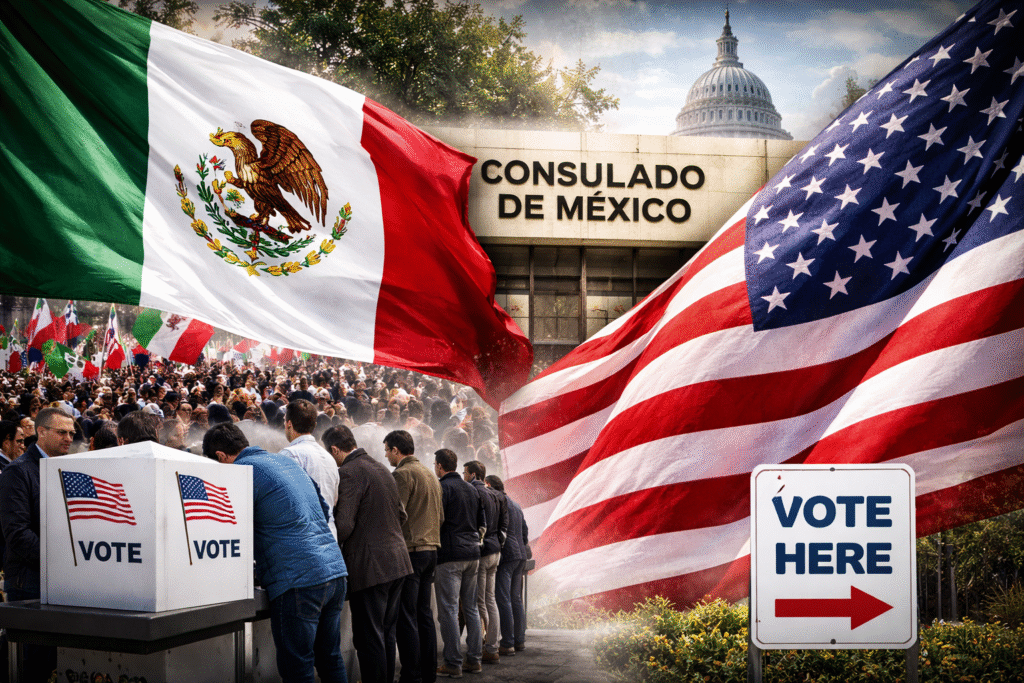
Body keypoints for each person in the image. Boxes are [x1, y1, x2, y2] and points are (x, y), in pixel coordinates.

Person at [202, 423, 348, 683]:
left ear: (221, 457)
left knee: (298, 667)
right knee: (330, 658)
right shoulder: (286, 462)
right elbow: (325, 511)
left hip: (298, 581)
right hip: (334, 570)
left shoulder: (240, 473)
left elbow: (230, 528)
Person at [324, 426, 412, 683]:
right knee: (386, 634)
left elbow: (344, 525)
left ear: (335, 450)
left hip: (371, 567)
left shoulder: (349, 472)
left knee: (368, 638)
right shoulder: (382, 468)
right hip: (398, 563)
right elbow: (402, 515)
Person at [0, 407, 75, 682]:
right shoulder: (17, 472)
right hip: (29, 585)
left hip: (61, 583)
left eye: (71, 433)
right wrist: (63, 560)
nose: (69, 438)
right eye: (62, 432)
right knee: (37, 668)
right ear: (41, 432)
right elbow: (17, 533)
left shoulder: (66, 468)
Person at [385, 430, 443, 683]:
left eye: (387, 450)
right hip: (432, 550)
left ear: (397, 451)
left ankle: (411, 674)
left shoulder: (402, 474)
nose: (386, 455)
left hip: (412, 551)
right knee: (424, 614)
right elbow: (440, 516)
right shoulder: (431, 474)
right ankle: (428, 672)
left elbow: (395, 515)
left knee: (406, 616)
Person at [433, 448, 485, 677]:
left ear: (439, 466)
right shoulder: (472, 489)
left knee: (449, 611)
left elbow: (438, 519)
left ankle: (453, 663)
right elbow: (481, 523)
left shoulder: (443, 488)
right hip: (473, 554)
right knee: (471, 608)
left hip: (451, 555)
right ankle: (474, 660)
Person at [462, 460, 507, 663]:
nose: (463, 476)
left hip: (482, 552)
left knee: (480, 601)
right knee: (490, 600)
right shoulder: (497, 495)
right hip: (496, 550)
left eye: (465, 473)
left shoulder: (474, 492)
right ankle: (493, 645)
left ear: (473, 474)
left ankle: (487, 646)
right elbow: (503, 525)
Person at [281, 399, 340, 539]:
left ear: (289, 424)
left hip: (303, 537)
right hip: (330, 535)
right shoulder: (329, 458)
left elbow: (283, 501)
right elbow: (334, 499)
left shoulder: (289, 455)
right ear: (314, 425)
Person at [485, 475, 529, 655]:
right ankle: (519, 641)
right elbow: (525, 532)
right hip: (520, 555)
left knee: (503, 599)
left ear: (489, 486)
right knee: (515, 599)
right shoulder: (516, 505)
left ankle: (508, 643)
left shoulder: (498, 502)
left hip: (508, 556)